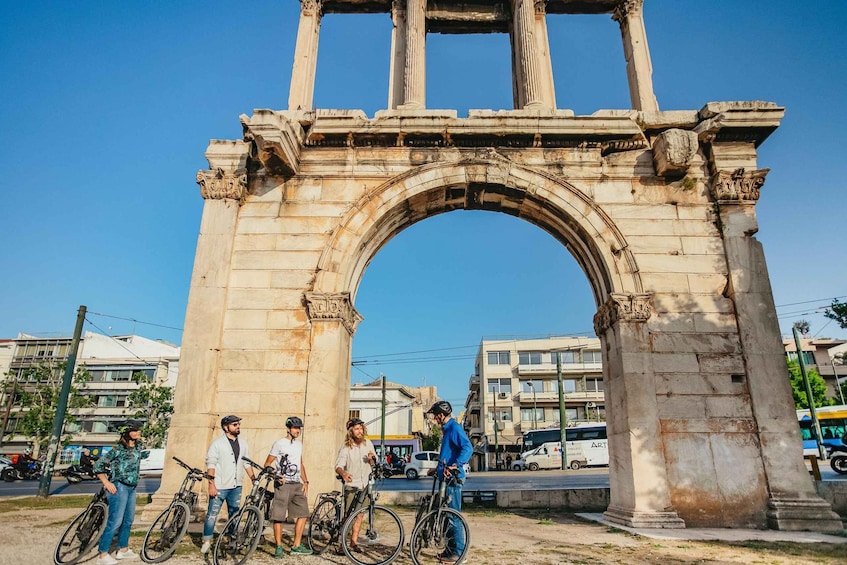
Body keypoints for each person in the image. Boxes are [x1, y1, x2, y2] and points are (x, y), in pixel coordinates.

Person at [93, 420, 149, 565]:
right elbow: (99, 465)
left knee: (128, 520)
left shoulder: (137, 447)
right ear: (127, 432)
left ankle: (122, 550)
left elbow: (134, 460)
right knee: (115, 521)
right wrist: (106, 482)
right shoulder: (118, 449)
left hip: (132, 487)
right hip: (119, 486)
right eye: (135, 430)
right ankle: (103, 554)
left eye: (139, 430)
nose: (139, 432)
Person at [201, 415, 256, 555]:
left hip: (236, 485)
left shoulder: (243, 443)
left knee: (235, 514)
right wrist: (211, 485)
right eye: (235, 425)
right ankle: (206, 541)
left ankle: (232, 540)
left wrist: (253, 478)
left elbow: (246, 462)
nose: (238, 427)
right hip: (220, 485)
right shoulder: (217, 444)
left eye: (238, 424)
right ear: (226, 427)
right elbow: (211, 464)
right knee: (212, 514)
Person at [426, 400, 473, 565]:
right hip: (444, 477)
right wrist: (437, 469)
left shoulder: (454, 428)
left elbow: (468, 448)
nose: (434, 419)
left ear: (440, 415)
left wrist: (456, 465)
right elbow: (447, 455)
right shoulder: (447, 430)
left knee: (453, 516)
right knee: (445, 516)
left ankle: (459, 554)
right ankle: (450, 549)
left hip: (453, 478)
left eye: (435, 416)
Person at [264, 416, 313, 558]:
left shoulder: (299, 445)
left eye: (299, 428)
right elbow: (267, 464)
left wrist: (306, 481)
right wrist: (276, 476)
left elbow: (301, 463)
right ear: (288, 429)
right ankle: (278, 547)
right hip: (283, 484)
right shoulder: (279, 443)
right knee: (279, 516)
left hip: (297, 483)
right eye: (295, 428)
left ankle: (296, 546)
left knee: (303, 514)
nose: (298, 431)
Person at [335, 418, 377, 552]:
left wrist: (372, 459)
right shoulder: (346, 447)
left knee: (360, 514)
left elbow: (374, 462)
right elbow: (338, 466)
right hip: (352, 484)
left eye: (361, 428)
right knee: (348, 515)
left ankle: (353, 542)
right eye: (357, 429)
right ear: (351, 431)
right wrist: (343, 474)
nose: (360, 431)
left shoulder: (368, 444)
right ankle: (343, 544)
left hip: (366, 485)